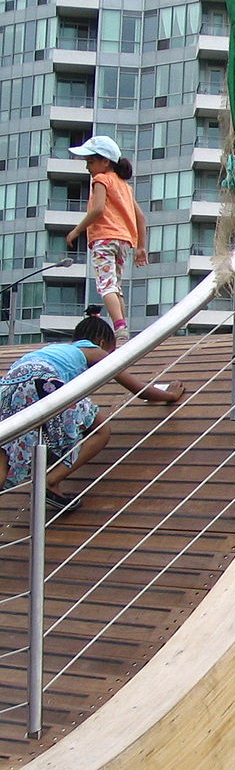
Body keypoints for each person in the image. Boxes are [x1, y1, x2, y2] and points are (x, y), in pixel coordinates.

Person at [0, 308, 184, 512]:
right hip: (44, 380)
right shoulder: (94, 351)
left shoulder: (57, 350)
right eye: (112, 351)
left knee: (5, 449)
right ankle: (50, 481)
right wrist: (170, 395)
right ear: (102, 342)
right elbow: (138, 390)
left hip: (9, 384)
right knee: (101, 429)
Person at [65, 135, 147, 343]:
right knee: (115, 285)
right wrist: (141, 247)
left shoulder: (100, 179)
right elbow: (141, 217)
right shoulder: (124, 186)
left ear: (105, 162)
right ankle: (122, 325)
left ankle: (119, 327)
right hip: (123, 241)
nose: (88, 167)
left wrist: (77, 230)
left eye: (90, 162)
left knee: (105, 285)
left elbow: (98, 209)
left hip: (104, 237)